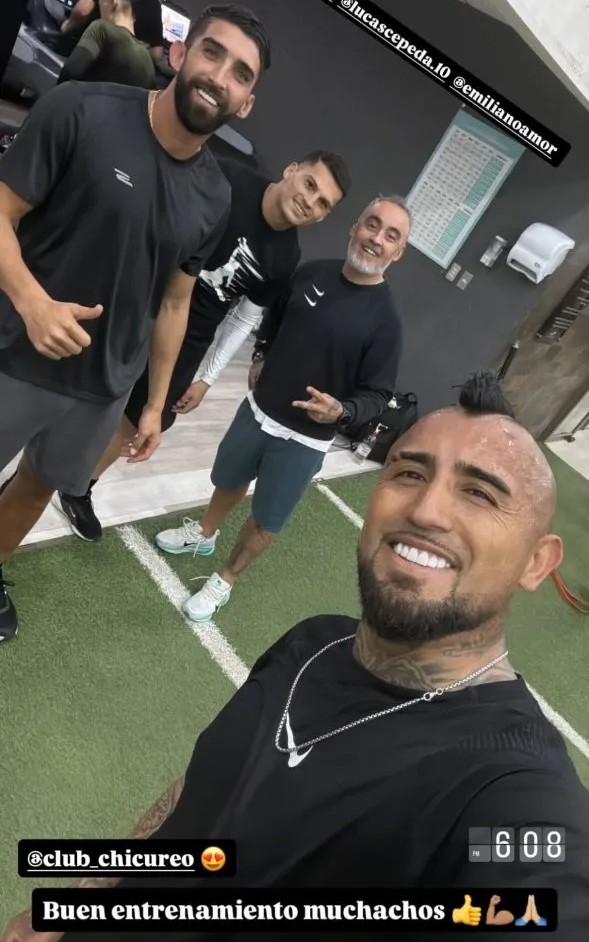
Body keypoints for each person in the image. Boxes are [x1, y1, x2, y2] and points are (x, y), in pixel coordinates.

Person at [3, 373, 588, 942]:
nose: (428, 511)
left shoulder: (511, 794)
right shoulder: (313, 642)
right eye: (409, 472)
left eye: (480, 493)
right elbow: (196, 792)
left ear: (538, 561)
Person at [0, 3, 272, 644]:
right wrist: (33, 304)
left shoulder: (216, 194)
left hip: (103, 384)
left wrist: (152, 406)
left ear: (246, 102)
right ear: (179, 54)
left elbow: (175, 302)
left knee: (39, 487)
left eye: (240, 73)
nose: (219, 76)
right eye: (212, 52)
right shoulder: (81, 109)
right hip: (16, 348)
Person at [54, 148, 351, 541]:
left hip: (189, 339)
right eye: (310, 184)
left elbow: (245, 317)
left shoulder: (285, 257)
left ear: (325, 215)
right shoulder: (227, 178)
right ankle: (42, 462)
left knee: (143, 418)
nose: (309, 201)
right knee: (75, 381)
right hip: (139, 302)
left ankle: (78, 487)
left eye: (322, 203)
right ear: (291, 169)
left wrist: (207, 378)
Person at [155, 195, 408, 622]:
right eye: (371, 225)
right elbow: (272, 318)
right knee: (228, 479)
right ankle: (204, 532)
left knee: (267, 519)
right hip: (258, 410)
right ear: (355, 227)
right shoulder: (310, 273)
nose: (375, 239)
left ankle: (226, 578)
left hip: (305, 440)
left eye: (390, 236)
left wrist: (341, 412)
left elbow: (378, 395)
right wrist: (261, 352)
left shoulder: (387, 322)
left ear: (397, 253)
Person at [57, 0, 155, 88]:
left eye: (101, 6)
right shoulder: (147, 60)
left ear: (113, 3)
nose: (100, 14)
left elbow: (70, 71)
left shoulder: (101, 28)